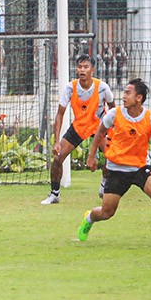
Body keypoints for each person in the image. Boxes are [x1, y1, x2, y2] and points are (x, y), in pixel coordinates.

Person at [78, 78, 151, 245]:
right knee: (106, 213)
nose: (124, 96)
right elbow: (99, 133)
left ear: (138, 98)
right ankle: (89, 218)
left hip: (140, 168)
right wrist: (91, 156)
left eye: (128, 93)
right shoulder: (115, 114)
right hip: (116, 169)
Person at [42, 54, 115, 205]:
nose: (82, 70)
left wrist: (114, 134)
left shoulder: (103, 87)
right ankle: (55, 194)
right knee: (57, 158)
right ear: (76, 69)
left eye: (86, 67)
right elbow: (60, 114)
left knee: (112, 157)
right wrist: (56, 142)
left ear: (92, 70)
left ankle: (104, 185)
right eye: (80, 67)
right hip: (79, 126)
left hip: (98, 127)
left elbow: (114, 110)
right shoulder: (70, 87)